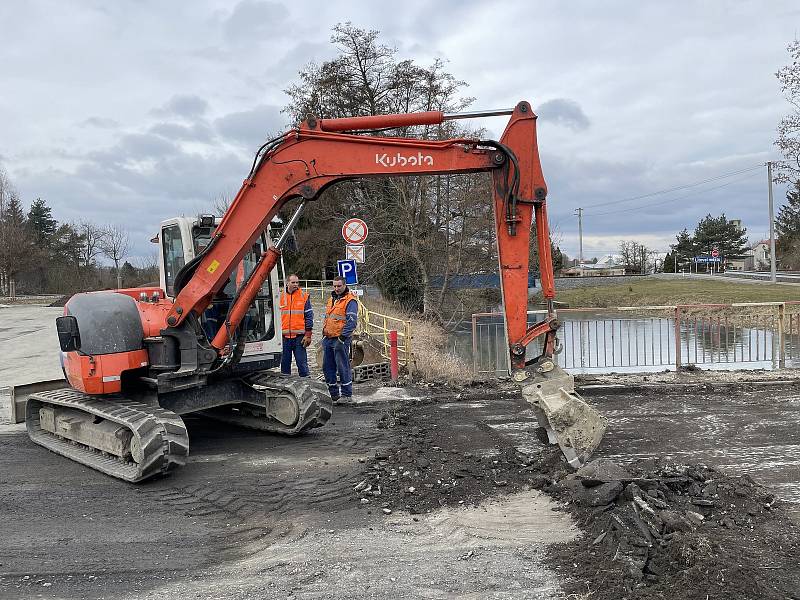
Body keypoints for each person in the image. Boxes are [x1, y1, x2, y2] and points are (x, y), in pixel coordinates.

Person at [322, 275, 358, 402]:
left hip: (340, 339)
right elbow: (328, 318)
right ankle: (333, 394)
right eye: (335, 286)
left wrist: (342, 339)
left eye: (339, 286)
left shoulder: (350, 301)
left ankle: (347, 395)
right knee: (327, 367)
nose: (336, 288)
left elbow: (351, 323)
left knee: (342, 366)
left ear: (344, 285)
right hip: (328, 338)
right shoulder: (332, 299)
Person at [279, 274, 313, 377]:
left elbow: (309, 316)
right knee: (284, 365)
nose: (296, 284)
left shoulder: (304, 296)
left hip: (299, 337)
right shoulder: (279, 297)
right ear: (287, 283)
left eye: (297, 282)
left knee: (302, 364)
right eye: (293, 282)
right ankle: (285, 387)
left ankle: (307, 385)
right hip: (284, 337)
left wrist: (308, 334)